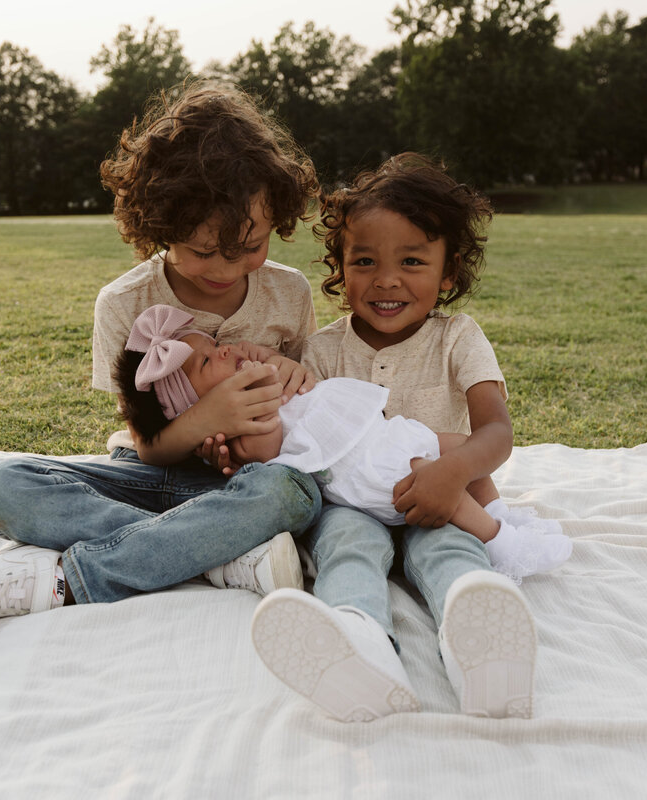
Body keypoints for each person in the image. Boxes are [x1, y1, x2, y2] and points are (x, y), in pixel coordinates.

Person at [0, 81, 323, 632]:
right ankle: (220, 557)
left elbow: (312, 420)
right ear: (159, 226)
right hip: (145, 480)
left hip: (241, 489)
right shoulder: (125, 303)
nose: (225, 268)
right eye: (202, 251)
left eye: (250, 247)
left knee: (291, 493)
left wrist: (299, 380)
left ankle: (72, 581)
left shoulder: (289, 295)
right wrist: (207, 418)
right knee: (5, 485)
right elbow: (150, 448)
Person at [251, 153, 570, 722]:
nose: (387, 279)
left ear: (448, 274)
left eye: (413, 261)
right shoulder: (323, 351)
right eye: (365, 261)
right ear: (341, 268)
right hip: (352, 505)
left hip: (441, 494)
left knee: (451, 548)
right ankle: (361, 645)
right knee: (346, 547)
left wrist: (454, 471)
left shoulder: (458, 338)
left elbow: (497, 430)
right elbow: (304, 438)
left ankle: (485, 646)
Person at [116, 304, 571, 567]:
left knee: (462, 450)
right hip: (366, 468)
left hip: (384, 435)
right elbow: (270, 448)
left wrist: (256, 363)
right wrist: (259, 390)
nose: (228, 349)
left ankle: (501, 514)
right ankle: (501, 544)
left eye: (216, 344)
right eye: (210, 360)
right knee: (436, 479)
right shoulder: (239, 434)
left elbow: (289, 379)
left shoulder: (260, 375)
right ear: (194, 409)